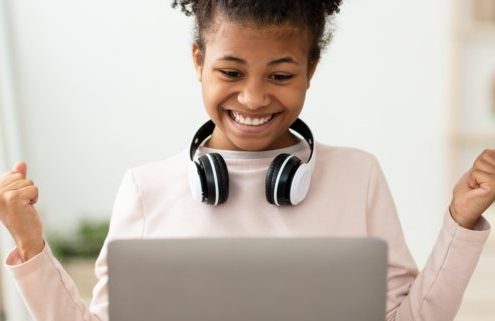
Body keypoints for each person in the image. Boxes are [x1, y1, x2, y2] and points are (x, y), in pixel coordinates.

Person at [0, 1, 494, 320]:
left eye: (280, 76)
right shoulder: (145, 189)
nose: (253, 98)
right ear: (198, 61)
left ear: (310, 68)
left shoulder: (357, 177)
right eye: (231, 71)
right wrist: (30, 244)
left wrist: (461, 221)